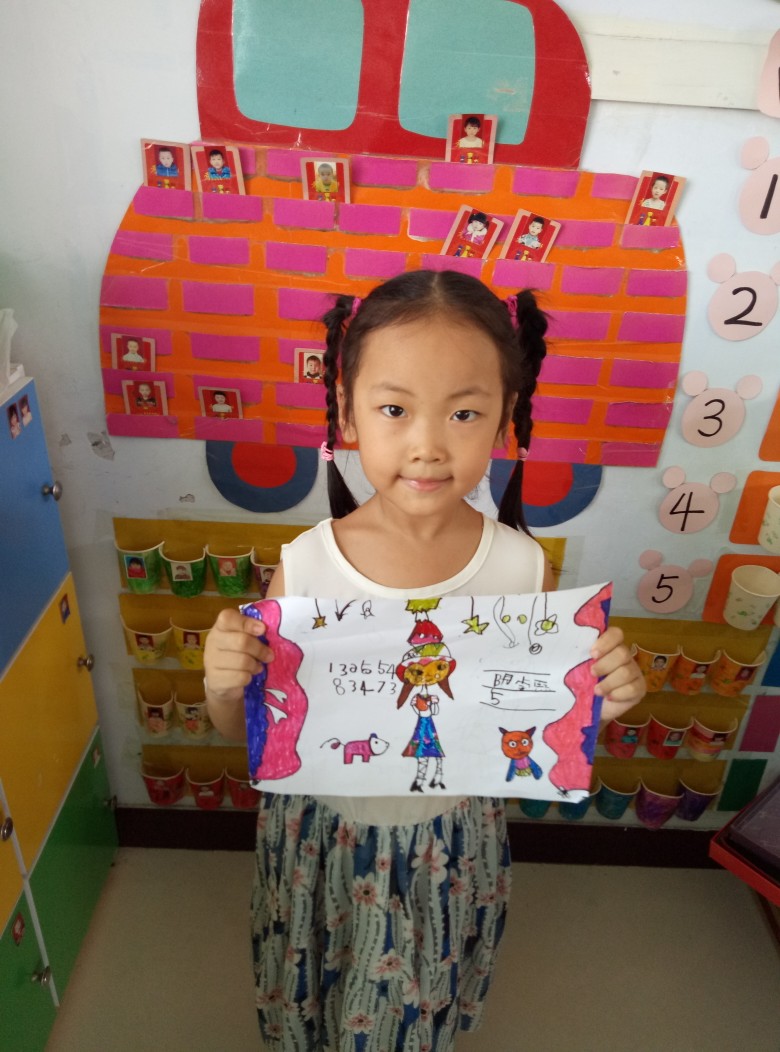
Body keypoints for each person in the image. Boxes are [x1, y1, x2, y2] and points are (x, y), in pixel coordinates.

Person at [203, 269, 646, 1051]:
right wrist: (221, 683)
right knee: (317, 993)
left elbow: (531, 717)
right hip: (321, 836)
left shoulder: (521, 567)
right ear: (348, 412)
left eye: (464, 413)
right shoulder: (306, 565)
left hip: (450, 839)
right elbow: (251, 735)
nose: (428, 446)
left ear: (505, 416)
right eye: (394, 409)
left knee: (420, 999)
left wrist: (599, 703)